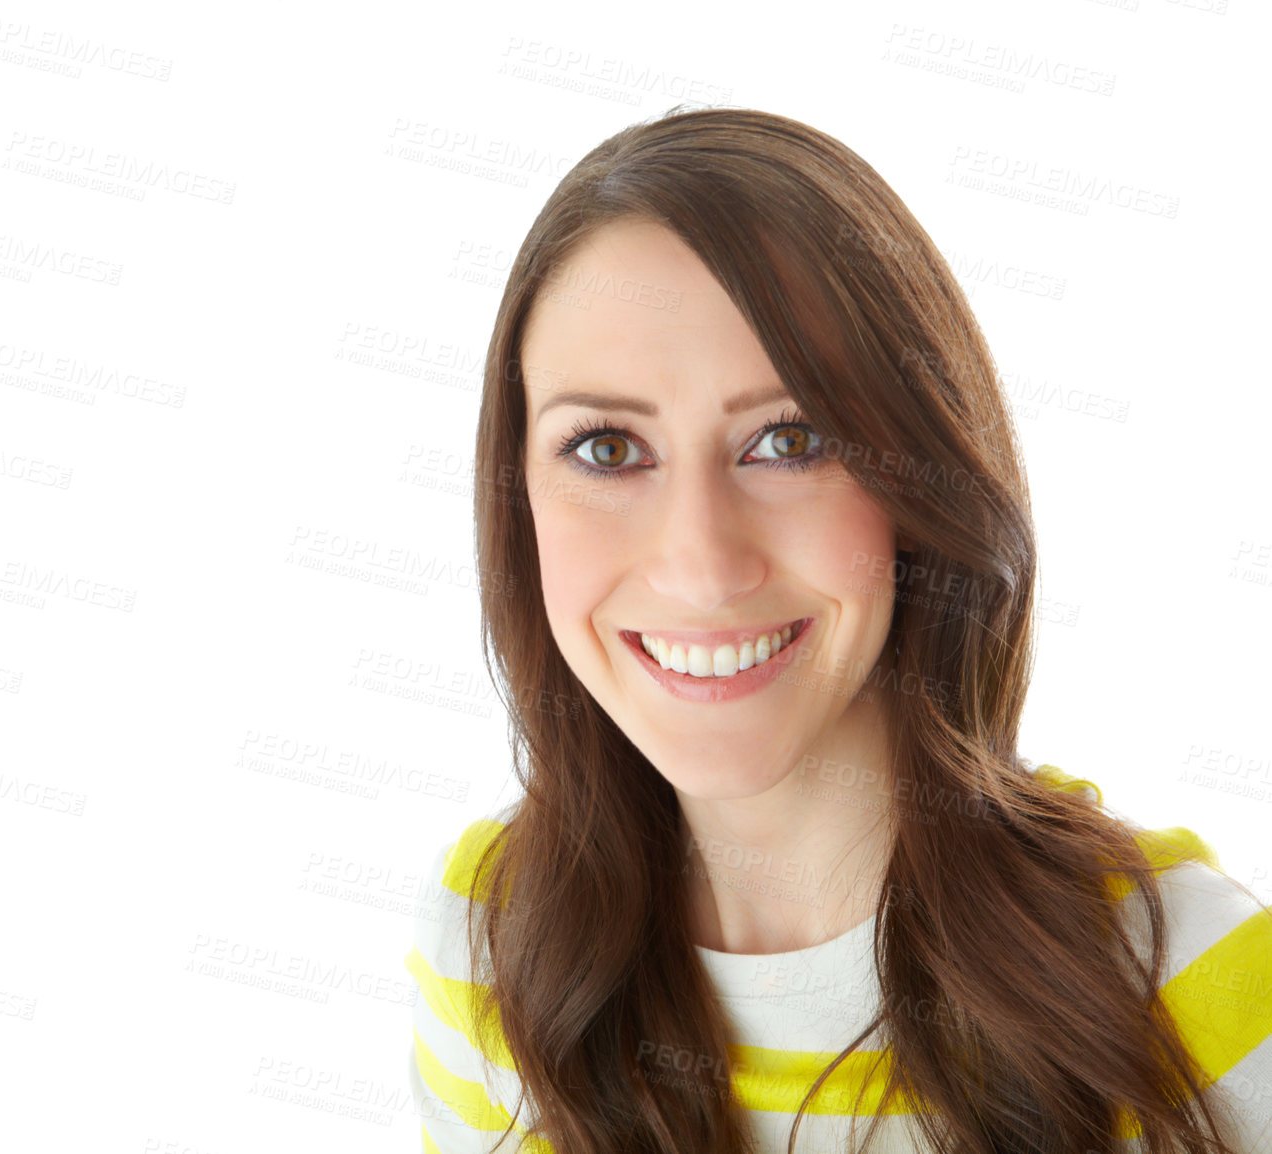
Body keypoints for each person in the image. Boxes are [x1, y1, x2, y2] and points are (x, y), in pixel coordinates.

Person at [404, 106, 1272, 1154]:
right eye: (604, 449)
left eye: (789, 437)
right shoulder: (490, 936)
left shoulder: (1192, 981)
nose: (701, 563)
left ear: (919, 477)